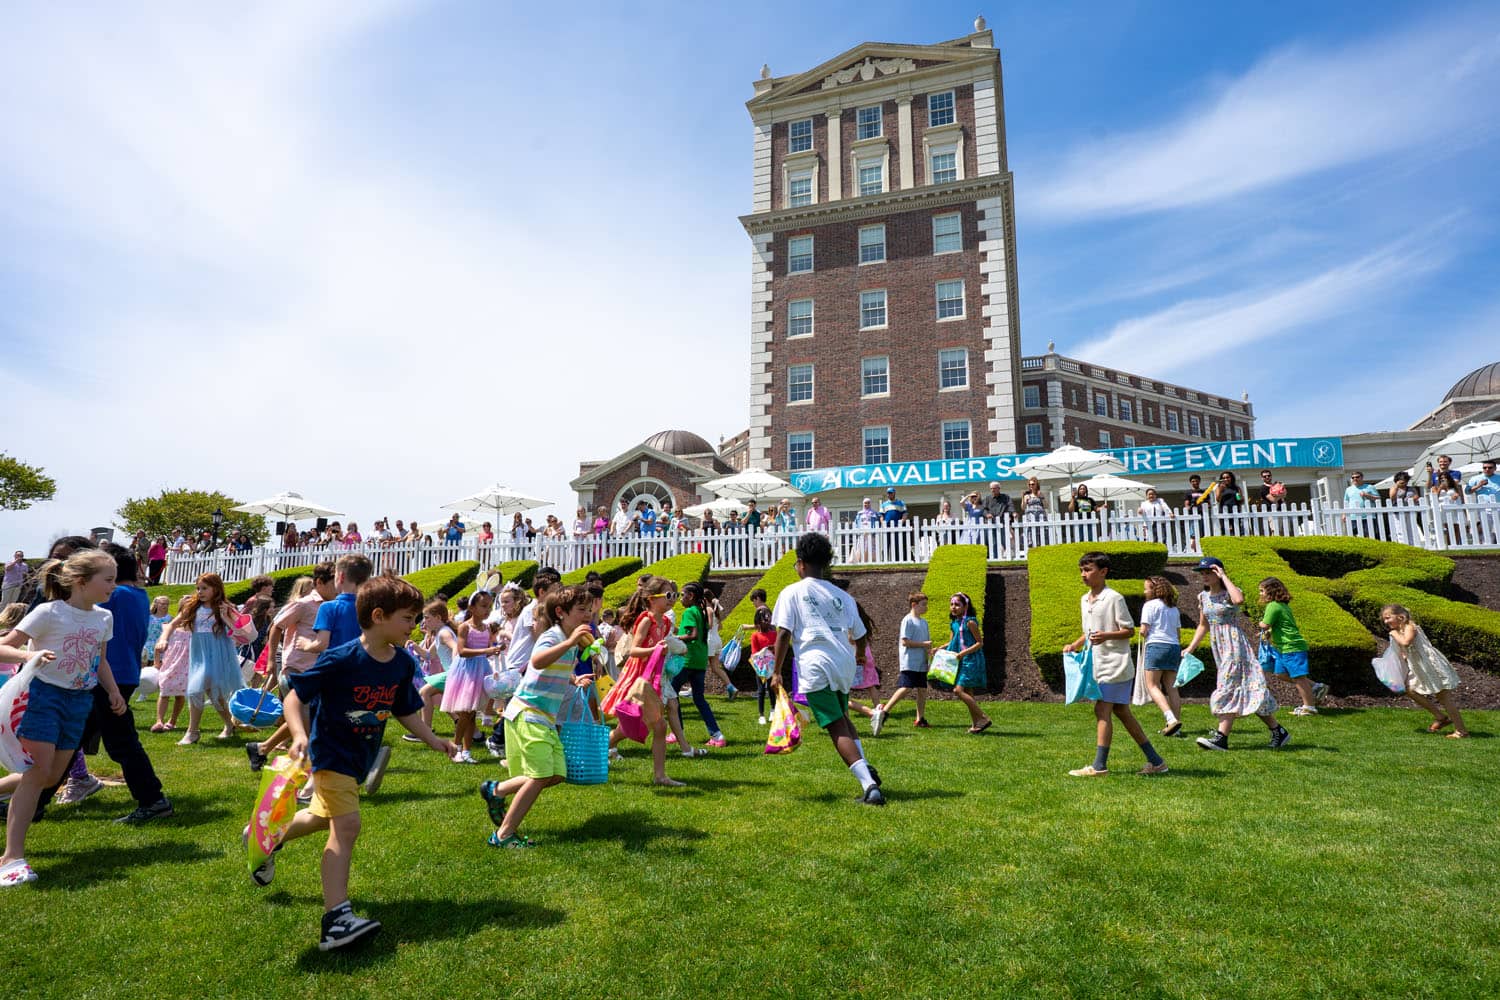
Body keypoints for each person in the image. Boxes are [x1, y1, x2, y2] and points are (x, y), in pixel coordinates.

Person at [256, 574, 455, 949]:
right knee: (346, 827)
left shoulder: (401, 665)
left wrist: (433, 739)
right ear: (379, 616)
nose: (414, 626)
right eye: (408, 618)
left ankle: (266, 838)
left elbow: (405, 710)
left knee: (320, 818)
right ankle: (336, 919)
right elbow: (295, 699)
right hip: (332, 753)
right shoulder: (341, 658)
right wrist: (299, 735)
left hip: (359, 756)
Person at [0, 551, 127, 886]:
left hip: (79, 701)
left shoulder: (103, 618)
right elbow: (5, 646)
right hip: (43, 695)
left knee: (48, 777)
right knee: (37, 772)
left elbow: (99, 661)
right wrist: (29, 654)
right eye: (109, 580)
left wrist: (112, 691)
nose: (113, 586)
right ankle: (12, 856)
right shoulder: (48, 612)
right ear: (82, 582)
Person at [39, 544, 172, 822]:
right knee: (71, 741)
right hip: (121, 675)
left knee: (120, 743)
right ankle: (34, 803)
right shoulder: (137, 595)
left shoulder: (115, 596)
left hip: (106, 677)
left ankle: (153, 799)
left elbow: (79, 607)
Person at [477, 585, 597, 848]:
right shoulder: (553, 636)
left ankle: (496, 790)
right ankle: (503, 835)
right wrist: (569, 642)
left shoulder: (570, 641)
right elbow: (538, 661)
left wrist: (574, 679)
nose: (587, 615)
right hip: (529, 713)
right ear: (560, 613)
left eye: (589, 609)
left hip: (544, 716)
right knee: (540, 776)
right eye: (581, 610)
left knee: (555, 775)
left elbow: (551, 670)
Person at [770, 533, 884, 805]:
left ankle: (869, 787)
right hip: (842, 664)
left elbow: (784, 633)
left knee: (835, 727)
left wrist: (776, 672)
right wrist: (858, 656)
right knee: (843, 717)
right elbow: (861, 632)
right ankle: (865, 767)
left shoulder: (792, 592)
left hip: (816, 664)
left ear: (800, 564)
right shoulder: (841, 595)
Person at [1062, 552, 1168, 776]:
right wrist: (1075, 644)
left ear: (1103, 572)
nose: (1084, 575)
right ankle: (1156, 762)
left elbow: (1128, 630)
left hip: (1115, 665)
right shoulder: (1084, 599)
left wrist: (1106, 636)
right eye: (1082, 570)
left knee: (1102, 709)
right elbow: (1089, 631)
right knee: (1121, 711)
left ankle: (1099, 766)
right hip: (1098, 665)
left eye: (1088, 570)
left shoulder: (1114, 598)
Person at [1184, 557, 1290, 751]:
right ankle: (1278, 731)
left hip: (1235, 646)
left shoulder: (1229, 593)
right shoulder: (1203, 597)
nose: (1205, 576)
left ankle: (1221, 738)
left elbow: (1239, 600)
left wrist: (1223, 576)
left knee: (1227, 686)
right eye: (1203, 573)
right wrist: (1190, 648)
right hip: (1220, 646)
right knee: (1247, 688)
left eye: (1209, 572)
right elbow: (1203, 625)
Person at [600, 575, 693, 786]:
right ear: (652, 598)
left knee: (655, 725)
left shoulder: (665, 621)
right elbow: (633, 650)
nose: (672, 599)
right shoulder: (646, 620)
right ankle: (600, 749)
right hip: (641, 676)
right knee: (648, 724)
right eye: (668, 595)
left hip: (654, 677)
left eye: (674, 595)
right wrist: (655, 650)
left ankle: (659, 775)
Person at [245, 562, 337, 770]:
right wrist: (271, 661)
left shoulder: (333, 605)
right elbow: (276, 627)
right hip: (296, 669)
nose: (339, 588)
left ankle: (261, 748)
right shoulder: (303, 604)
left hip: (319, 670)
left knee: (304, 719)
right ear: (320, 582)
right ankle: (310, 770)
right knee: (310, 723)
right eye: (334, 583)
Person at [154, 573, 240, 745]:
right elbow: (172, 624)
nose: (199, 592)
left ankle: (193, 732)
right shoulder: (193, 607)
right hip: (198, 654)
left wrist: (225, 618)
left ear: (216, 588)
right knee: (210, 692)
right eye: (198, 588)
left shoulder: (225, 607)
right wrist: (163, 639)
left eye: (204, 588)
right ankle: (229, 725)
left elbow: (239, 632)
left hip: (217, 653)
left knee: (198, 689)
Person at [1380, 604, 1467, 738]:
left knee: (1444, 698)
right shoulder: (1401, 629)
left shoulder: (1409, 626)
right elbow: (1406, 649)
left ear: (1400, 617)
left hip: (1430, 666)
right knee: (1409, 689)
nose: (1386, 622)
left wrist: (1394, 634)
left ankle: (1461, 731)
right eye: (1384, 619)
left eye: (1388, 618)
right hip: (1420, 667)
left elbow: (1406, 642)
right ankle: (1440, 717)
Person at [1257, 577, 1328, 716]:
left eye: (1262, 591)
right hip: (1284, 648)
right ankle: (1316, 687)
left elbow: (1265, 624)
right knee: (1280, 673)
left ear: (1270, 591)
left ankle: (1309, 707)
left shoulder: (1273, 606)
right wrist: (1270, 633)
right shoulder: (1282, 606)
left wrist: (1261, 625)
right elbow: (1282, 625)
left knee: (1298, 677)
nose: (1260, 594)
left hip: (1292, 647)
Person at [448, 590, 505, 763]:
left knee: (472, 713)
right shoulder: (465, 626)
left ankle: (466, 751)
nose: (487, 610)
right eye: (483, 606)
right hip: (466, 672)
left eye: (489, 606)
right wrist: (487, 650)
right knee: (466, 712)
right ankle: (455, 747)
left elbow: (485, 651)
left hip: (481, 670)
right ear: (472, 608)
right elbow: (462, 651)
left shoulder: (486, 628)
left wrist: (495, 650)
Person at [870, 592, 932, 733]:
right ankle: (884, 712)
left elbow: (926, 644)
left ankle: (920, 718)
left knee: (922, 690)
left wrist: (930, 653)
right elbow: (905, 642)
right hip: (909, 661)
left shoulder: (924, 622)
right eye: (923, 604)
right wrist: (923, 644)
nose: (926, 607)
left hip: (921, 662)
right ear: (914, 605)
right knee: (906, 687)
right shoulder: (907, 620)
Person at [1138, 576, 1184, 737]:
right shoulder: (1173, 608)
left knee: (1152, 686)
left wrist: (1140, 631)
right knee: (1172, 687)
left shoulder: (1149, 605)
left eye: (1147, 588)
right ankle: (1176, 727)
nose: (1144, 591)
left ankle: (1170, 719)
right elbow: (1178, 633)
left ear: (1154, 590)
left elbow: (1144, 630)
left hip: (1156, 645)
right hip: (1173, 647)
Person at [304, 554, 372, 658]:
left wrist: (306, 645)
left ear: (341, 577)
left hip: (334, 667)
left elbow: (321, 644)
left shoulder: (328, 608)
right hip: (362, 666)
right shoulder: (371, 608)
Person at [944, 592, 992, 734]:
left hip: (971, 660)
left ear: (966, 606)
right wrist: (939, 648)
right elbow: (952, 642)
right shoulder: (954, 623)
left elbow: (979, 643)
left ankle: (983, 717)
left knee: (958, 690)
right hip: (960, 660)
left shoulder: (970, 622)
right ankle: (976, 724)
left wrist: (963, 654)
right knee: (968, 692)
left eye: (957, 605)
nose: (953, 607)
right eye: (952, 604)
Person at [151, 596, 191, 732]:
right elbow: (158, 646)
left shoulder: (195, 630)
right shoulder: (171, 627)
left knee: (180, 695)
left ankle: (172, 721)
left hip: (186, 666)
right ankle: (159, 721)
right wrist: (157, 662)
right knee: (164, 691)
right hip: (170, 664)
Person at [749, 606, 777, 725]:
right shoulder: (755, 636)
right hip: (760, 667)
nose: (767, 622)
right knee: (761, 690)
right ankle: (761, 714)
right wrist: (765, 650)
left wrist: (772, 649)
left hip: (771, 665)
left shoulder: (774, 634)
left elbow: (777, 648)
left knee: (772, 688)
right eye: (764, 619)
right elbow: (754, 653)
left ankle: (773, 710)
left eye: (768, 619)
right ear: (758, 621)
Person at [1465, 458, 1499, 546]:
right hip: (1484, 507)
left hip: (1498, 505)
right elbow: (1467, 491)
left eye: (1490, 467)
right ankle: (1487, 544)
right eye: (1485, 468)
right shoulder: (1476, 478)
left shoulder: (1499, 478)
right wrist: (1479, 485)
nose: (1487, 469)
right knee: (1486, 527)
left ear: (1495, 469)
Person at [1343, 471, 1382, 538]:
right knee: (1354, 536)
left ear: (1362, 477)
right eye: (1353, 477)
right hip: (1353, 517)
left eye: (1357, 477)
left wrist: (1367, 495)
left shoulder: (1370, 487)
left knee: (1370, 536)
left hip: (1368, 516)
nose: (1355, 479)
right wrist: (1344, 514)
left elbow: (1378, 499)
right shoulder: (1348, 489)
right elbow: (1346, 502)